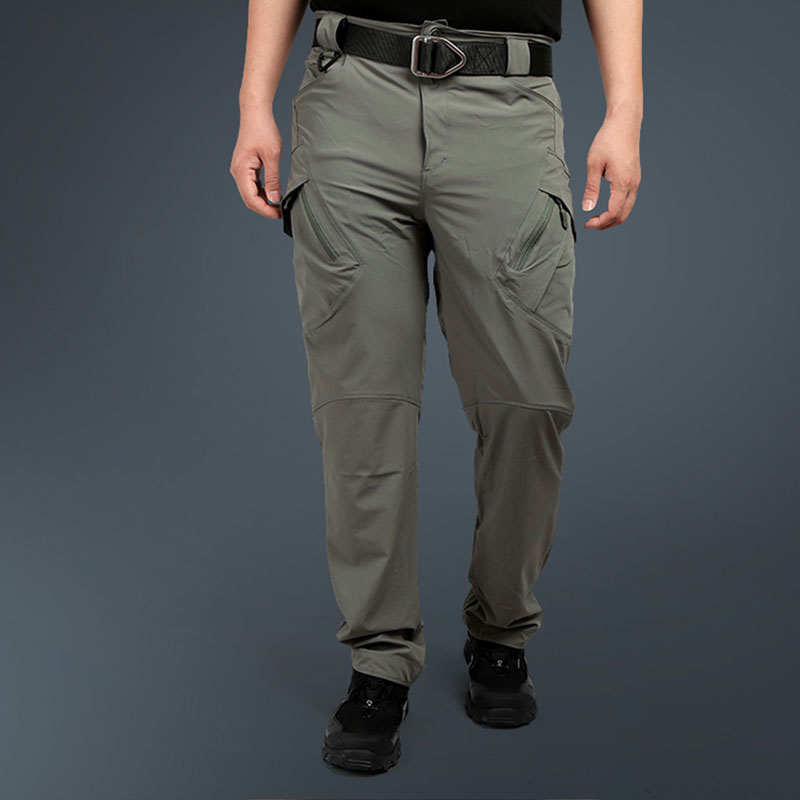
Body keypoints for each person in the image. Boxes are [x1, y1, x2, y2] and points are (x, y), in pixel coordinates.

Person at [231, 0, 642, 774]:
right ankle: (379, 662)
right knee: (363, 409)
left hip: (507, 108)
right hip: (352, 102)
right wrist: (254, 100)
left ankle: (502, 627)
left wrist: (626, 112)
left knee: (527, 403)